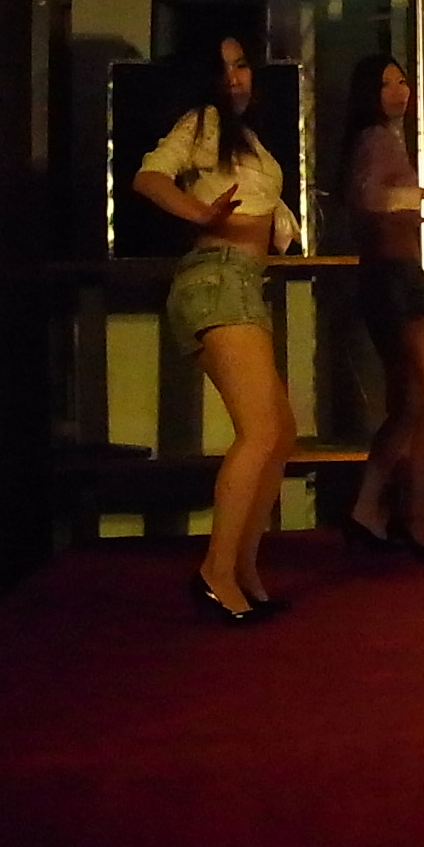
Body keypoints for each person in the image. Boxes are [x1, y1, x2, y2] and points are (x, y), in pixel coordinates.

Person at [133, 34, 302, 622]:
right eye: (224, 68)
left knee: (280, 432)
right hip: (217, 277)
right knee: (261, 430)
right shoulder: (202, 122)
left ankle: (242, 569)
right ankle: (215, 572)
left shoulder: (243, 137)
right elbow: (150, 177)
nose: (236, 77)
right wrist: (201, 213)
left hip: (240, 280)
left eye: (243, 65)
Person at [336, 54, 424, 563]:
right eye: (386, 83)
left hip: (390, 276)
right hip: (395, 278)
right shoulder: (377, 138)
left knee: (411, 403)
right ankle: (409, 517)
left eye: (403, 81)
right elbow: (369, 198)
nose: (398, 91)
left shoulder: (382, 138)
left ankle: (368, 511)